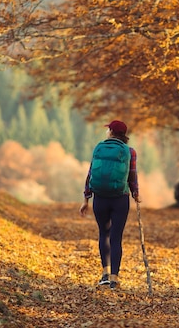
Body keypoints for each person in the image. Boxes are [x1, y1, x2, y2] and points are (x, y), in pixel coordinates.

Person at [79, 120, 140, 290]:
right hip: (120, 198)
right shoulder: (130, 152)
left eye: (108, 130)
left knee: (103, 234)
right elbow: (132, 175)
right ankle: (115, 279)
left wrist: (86, 198)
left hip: (100, 198)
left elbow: (91, 173)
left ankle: (104, 274)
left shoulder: (99, 148)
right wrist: (135, 193)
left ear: (112, 132)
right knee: (116, 237)